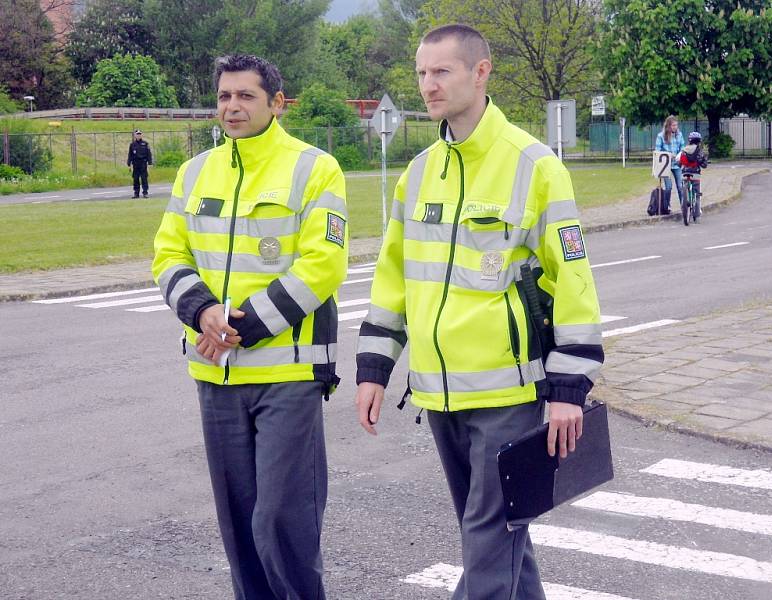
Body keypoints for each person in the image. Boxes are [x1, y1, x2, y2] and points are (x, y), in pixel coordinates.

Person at [354, 24, 603, 600]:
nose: (428, 85)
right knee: (505, 539)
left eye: (442, 71)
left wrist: (569, 389)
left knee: (488, 543)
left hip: (508, 397)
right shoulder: (417, 174)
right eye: (421, 73)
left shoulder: (535, 167)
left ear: (481, 72)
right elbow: (393, 276)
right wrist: (374, 368)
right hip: (439, 394)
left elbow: (575, 282)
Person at [152, 54, 348, 600]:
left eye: (245, 96)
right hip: (215, 375)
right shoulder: (195, 172)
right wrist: (202, 311)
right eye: (223, 97)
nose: (232, 107)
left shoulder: (315, 168)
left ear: (276, 103)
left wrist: (244, 324)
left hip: (288, 372)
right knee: (240, 530)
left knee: (281, 521)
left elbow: (324, 264)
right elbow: (168, 253)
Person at [654, 115, 685, 213]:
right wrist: (668, 155)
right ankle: (666, 207)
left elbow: (682, 147)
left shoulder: (679, 135)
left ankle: (683, 206)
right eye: (673, 125)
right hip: (666, 165)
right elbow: (657, 151)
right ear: (668, 126)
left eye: (676, 125)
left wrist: (680, 155)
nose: (675, 127)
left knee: (680, 186)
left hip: (677, 164)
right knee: (668, 187)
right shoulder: (661, 136)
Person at [679, 131, 708, 216]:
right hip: (695, 174)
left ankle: (683, 206)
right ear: (699, 141)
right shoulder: (699, 151)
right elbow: (704, 165)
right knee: (697, 193)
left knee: (684, 188)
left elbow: (679, 162)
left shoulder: (684, 150)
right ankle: (697, 213)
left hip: (684, 173)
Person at [127, 129, 152, 198]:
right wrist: (129, 164)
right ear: (135, 135)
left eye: (140, 134)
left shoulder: (145, 143)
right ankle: (136, 193)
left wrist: (150, 163)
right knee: (135, 179)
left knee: (144, 178)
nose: (139, 135)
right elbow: (130, 155)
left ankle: (145, 193)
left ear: (141, 135)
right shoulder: (132, 145)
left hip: (143, 164)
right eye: (137, 134)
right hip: (135, 164)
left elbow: (149, 154)